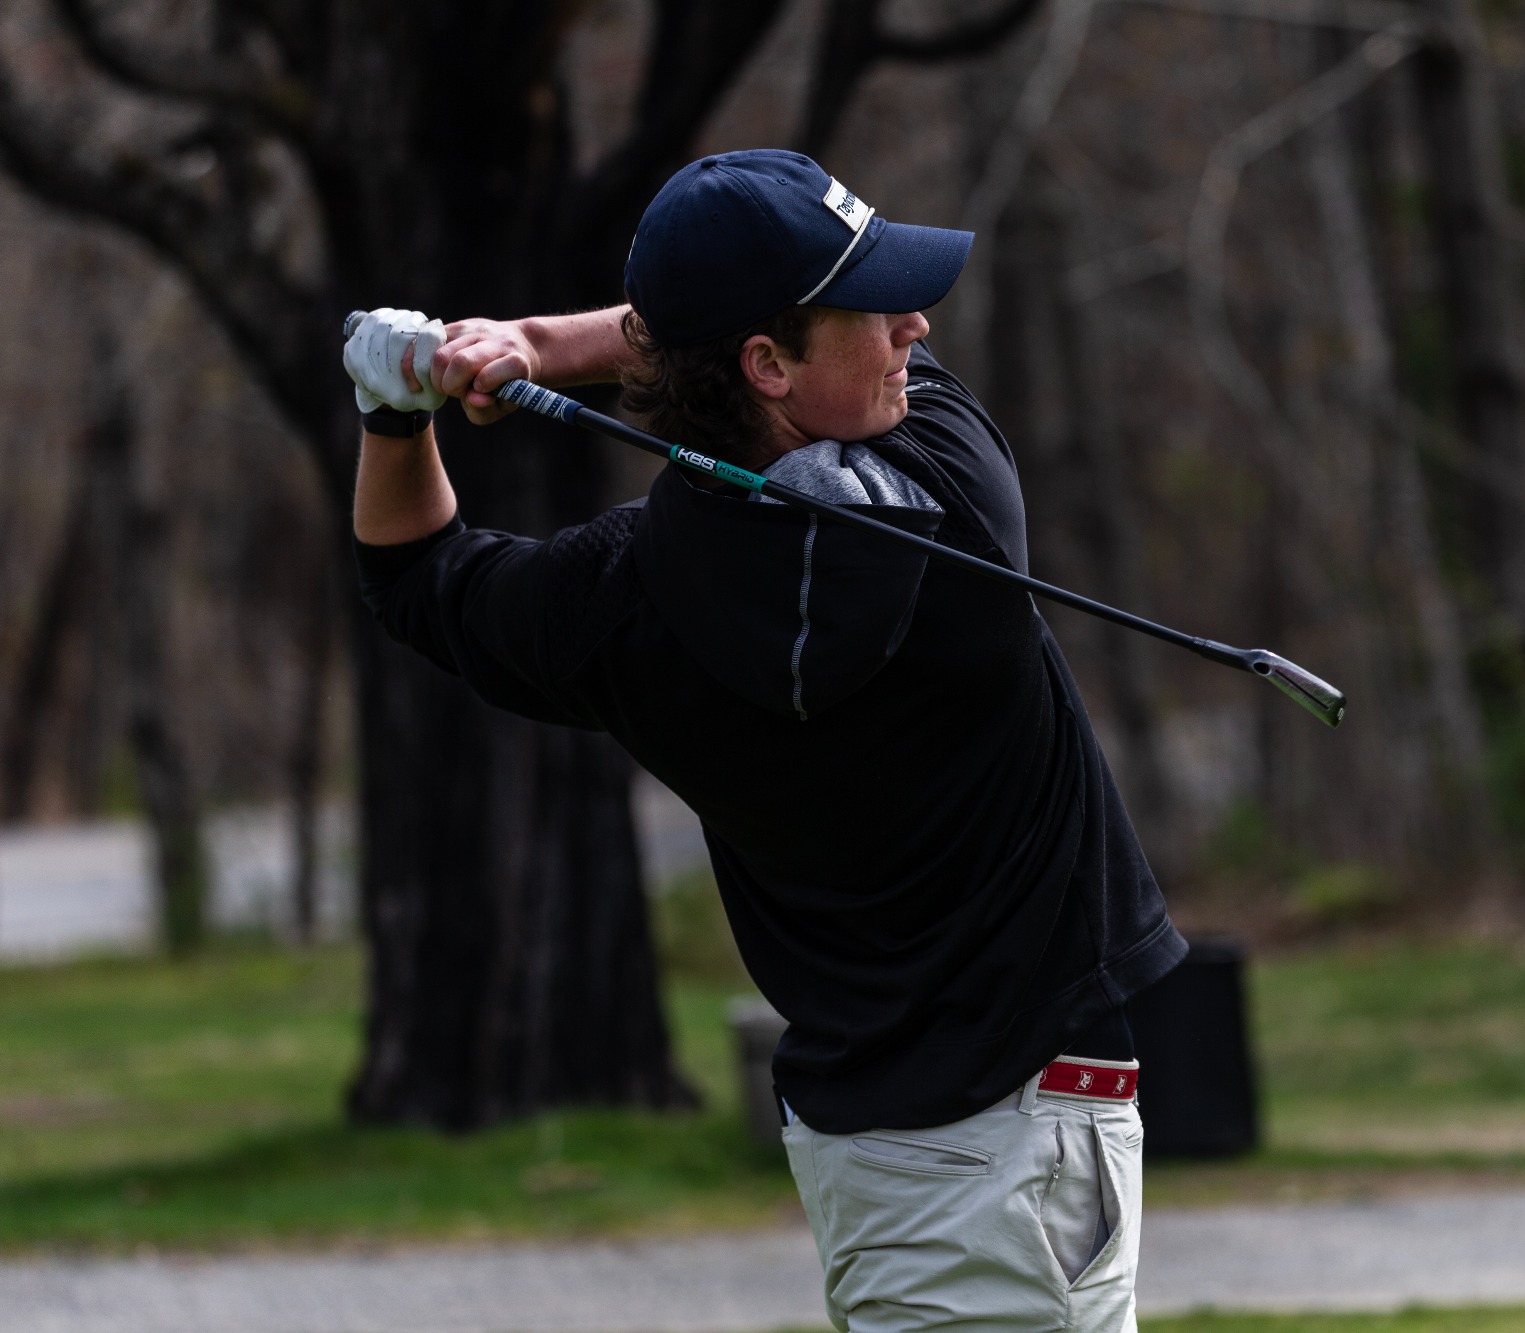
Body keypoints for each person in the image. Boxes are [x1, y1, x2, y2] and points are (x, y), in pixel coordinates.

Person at [344, 149, 1186, 1333]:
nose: (912, 326)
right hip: (1015, 1147)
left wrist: (395, 408)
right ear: (768, 365)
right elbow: (699, 349)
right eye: (873, 307)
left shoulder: (616, 604)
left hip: (895, 1155)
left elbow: (412, 574)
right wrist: (546, 343)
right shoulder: (953, 495)